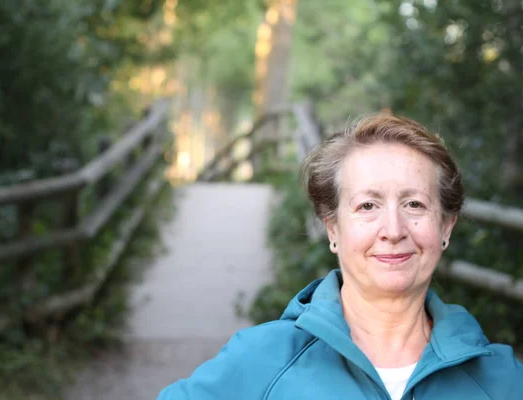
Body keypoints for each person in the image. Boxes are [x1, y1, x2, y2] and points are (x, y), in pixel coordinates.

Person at [157, 114, 523, 399]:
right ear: (332, 228)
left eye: (414, 204)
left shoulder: (502, 380)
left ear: (445, 227)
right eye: (367, 205)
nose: (393, 229)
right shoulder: (261, 361)